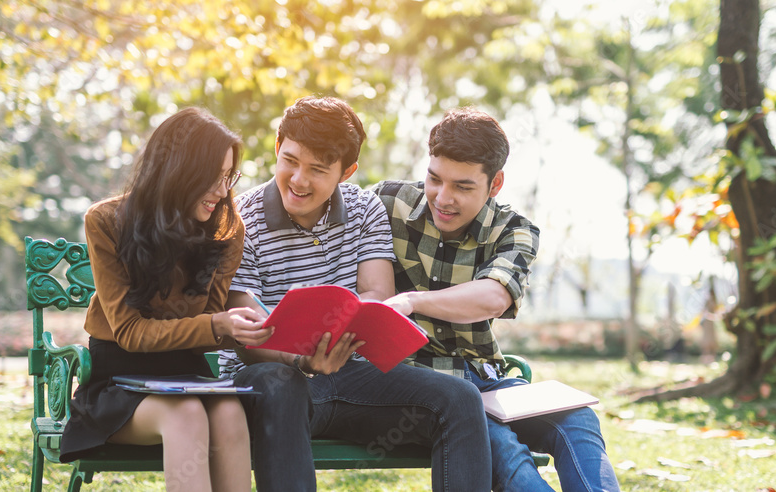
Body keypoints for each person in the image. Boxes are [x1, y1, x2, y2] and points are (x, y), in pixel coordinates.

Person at [217, 96, 492, 491]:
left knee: (461, 399)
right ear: (277, 148)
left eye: (317, 169)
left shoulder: (365, 209)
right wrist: (305, 361)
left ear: (347, 172)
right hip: (268, 384)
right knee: (282, 385)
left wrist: (341, 340)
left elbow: (375, 295)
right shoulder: (239, 220)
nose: (298, 180)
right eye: (290, 160)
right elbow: (248, 333)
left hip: (350, 376)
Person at [375, 107, 622, 492]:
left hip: (484, 380)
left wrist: (411, 301)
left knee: (578, 418)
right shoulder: (387, 202)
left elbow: (492, 296)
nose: (443, 197)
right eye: (434, 179)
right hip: (420, 387)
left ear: (495, 184)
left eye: (463, 186)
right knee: (505, 450)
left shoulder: (516, 231)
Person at [59, 107, 269, 491]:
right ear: (177, 169)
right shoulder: (106, 222)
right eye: (213, 177)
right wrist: (216, 325)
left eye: (229, 177)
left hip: (187, 376)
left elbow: (211, 322)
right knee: (186, 415)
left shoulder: (225, 230)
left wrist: (242, 328)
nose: (223, 192)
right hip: (119, 381)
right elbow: (130, 333)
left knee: (229, 412)